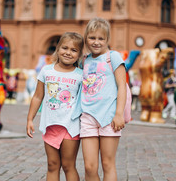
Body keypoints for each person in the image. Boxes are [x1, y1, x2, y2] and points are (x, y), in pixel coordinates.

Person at [74, 17, 127, 181]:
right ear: (86, 38)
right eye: (92, 38)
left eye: (100, 38)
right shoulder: (85, 60)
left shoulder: (114, 57)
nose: (96, 42)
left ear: (107, 39)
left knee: (107, 163)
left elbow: (122, 87)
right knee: (89, 167)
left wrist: (119, 114)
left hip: (109, 117)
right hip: (88, 117)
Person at [26, 32, 84, 181]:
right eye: (65, 48)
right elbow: (38, 96)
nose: (68, 52)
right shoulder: (46, 70)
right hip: (50, 125)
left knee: (68, 165)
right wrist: (30, 119)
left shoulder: (80, 75)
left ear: (79, 54)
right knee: (52, 165)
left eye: (74, 50)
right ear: (58, 49)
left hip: (71, 127)